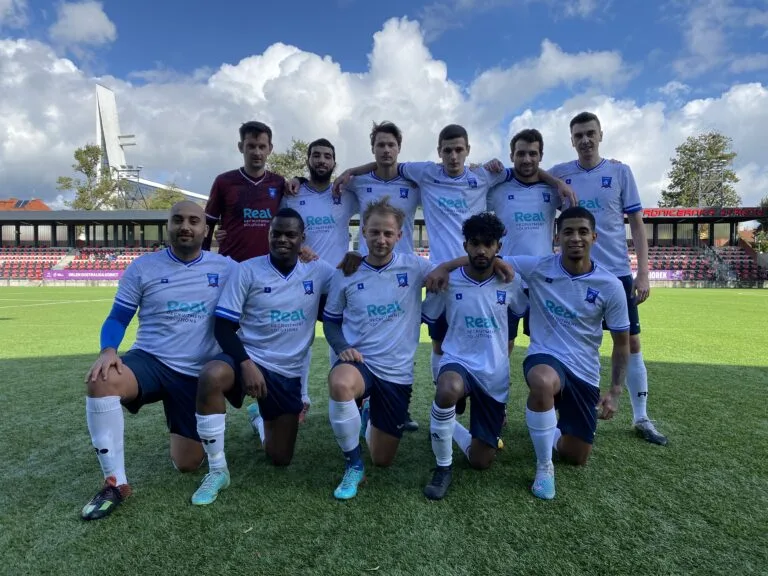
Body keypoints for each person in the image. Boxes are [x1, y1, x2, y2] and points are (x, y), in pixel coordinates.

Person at [80, 201, 237, 520]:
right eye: (178, 220)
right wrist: (108, 349)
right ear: (168, 225)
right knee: (101, 380)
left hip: (196, 374)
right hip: (150, 361)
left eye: (194, 221)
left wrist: (305, 254)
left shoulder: (226, 268)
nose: (185, 226)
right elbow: (118, 317)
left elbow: (265, 275)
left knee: (187, 464)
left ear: (205, 230)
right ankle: (115, 483)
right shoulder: (143, 267)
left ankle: (194, 431)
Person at [190, 208, 334, 505]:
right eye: (276, 233)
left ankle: (259, 421)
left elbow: (353, 280)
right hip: (248, 359)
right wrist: (246, 364)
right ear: (268, 235)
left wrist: (355, 259)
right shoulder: (248, 270)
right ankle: (218, 470)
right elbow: (224, 327)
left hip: (287, 372)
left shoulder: (318, 271)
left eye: (290, 234)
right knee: (212, 375)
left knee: (280, 457)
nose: (282, 239)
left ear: (302, 239)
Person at [549, 112, 667, 446]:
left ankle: (641, 417)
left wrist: (642, 272)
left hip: (615, 273)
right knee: (570, 344)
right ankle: (566, 417)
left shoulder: (620, 171)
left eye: (590, 133)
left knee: (630, 343)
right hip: (572, 273)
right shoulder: (561, 173)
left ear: (601, 134)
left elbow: (637, 224)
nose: (585, 140)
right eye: (578, 135)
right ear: (571, 140)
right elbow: (531, 174)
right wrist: (554, 181)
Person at [508, 206, 630, 500]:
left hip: (584, 372)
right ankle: (543, 467)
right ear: (557, 237)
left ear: (594, 237)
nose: (575, 238)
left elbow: (622, 343)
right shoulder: (537, 267)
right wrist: (442, 268)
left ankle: (549, 428)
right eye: (568, 232)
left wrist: (615, 391)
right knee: (542, 380)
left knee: (577, 456)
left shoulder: (611, 286)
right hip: (545, 357)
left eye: (582, 231)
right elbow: (485, 258)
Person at [322, 197, 435, 500]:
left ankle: (369, 413)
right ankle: (353, 466)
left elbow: (449, 271)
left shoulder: (414, 267)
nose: (380, 239)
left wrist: (498, 261)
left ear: (400, 236)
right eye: (374, 232)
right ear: (363, 233)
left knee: (383, 459)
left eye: (388, 233)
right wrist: (342, 346)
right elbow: (330, 322)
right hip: (360, 363)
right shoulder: (346, 272)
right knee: (341, 383)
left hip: (396, 372)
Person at [421, 212, 523, 500]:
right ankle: (443, 468)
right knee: (448, 387)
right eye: (475, 243)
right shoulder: (449, 281)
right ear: (465, 246)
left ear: (498, 247)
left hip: (493, 373)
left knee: (481, 461)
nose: (481, 250)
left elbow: (519, 316)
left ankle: (448, 425)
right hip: (458, 361)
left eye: (488, 244)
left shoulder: (510, 281)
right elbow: (428, 315)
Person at [487, 128, 560, 353]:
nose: (527, 159)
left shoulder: (554, 189)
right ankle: (497, 387)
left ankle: (544, 388)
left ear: (540, 156)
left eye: (532, 153)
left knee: (544, 345)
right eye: (521, 154)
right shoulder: (497, 188)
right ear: (511, 156)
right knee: (502, 344)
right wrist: (480, 168)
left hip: (543, 279)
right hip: (506, 277)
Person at [202, 121, 286, 263]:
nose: (257, 152)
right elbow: (207, 224)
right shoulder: (224, 182)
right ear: (241, 147)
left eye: (262, 146)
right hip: (231, 265)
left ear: (270, 149)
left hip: (268, 267)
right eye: (251, 146)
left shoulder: (279, 183)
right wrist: (202, 261)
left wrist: (299, 179)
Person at [344, 121, 420, 256]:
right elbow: (326, 185)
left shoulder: (415, 184)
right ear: (373, 149)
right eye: (380, 145)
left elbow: (441, 173)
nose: (386, 150)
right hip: (368, 265)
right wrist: (299, 180)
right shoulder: (357, 182)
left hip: (404, 265)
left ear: (399, 148)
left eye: (391, 145)